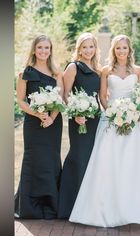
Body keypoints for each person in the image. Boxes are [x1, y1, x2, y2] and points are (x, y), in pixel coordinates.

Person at [69, 34, 140, 227]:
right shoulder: (105, 70)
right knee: (107, 162)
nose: (121, 51)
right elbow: (103, 96)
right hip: (111, 121)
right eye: (118, 48)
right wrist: (113, 113)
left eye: (125, 48)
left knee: (133, 163)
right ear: (113, 50)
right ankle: (104, 209)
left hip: (134, 122)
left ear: (130, 50)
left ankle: (136, 209)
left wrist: (131, 114)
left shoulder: (138, 71)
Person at [15, 35, 64, 219]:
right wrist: (37, 114)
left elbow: (59, 98)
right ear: (34, 49)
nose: (44, 51)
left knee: (50, 161)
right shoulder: (25, 73)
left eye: (47, 48)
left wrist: (51, 117)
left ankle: (51, 205)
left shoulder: (56, 72)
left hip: (53, 123)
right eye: (40, 47)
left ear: (51, 50)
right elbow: (20, 99)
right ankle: (29, 207)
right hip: (33, 123)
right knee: (33, 159)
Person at [57, 32, 101, 219]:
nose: (88, 50)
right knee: (78, 156)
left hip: (95, 119)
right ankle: (68, 204)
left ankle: (88, 203)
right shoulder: (73, 67)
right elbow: (65, 94)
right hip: (79, 119)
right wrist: (75, 115)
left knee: (92, 158)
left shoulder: (98, 69)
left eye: (91, 47)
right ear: (79, 49)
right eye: (84, 47)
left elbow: (100, 96)